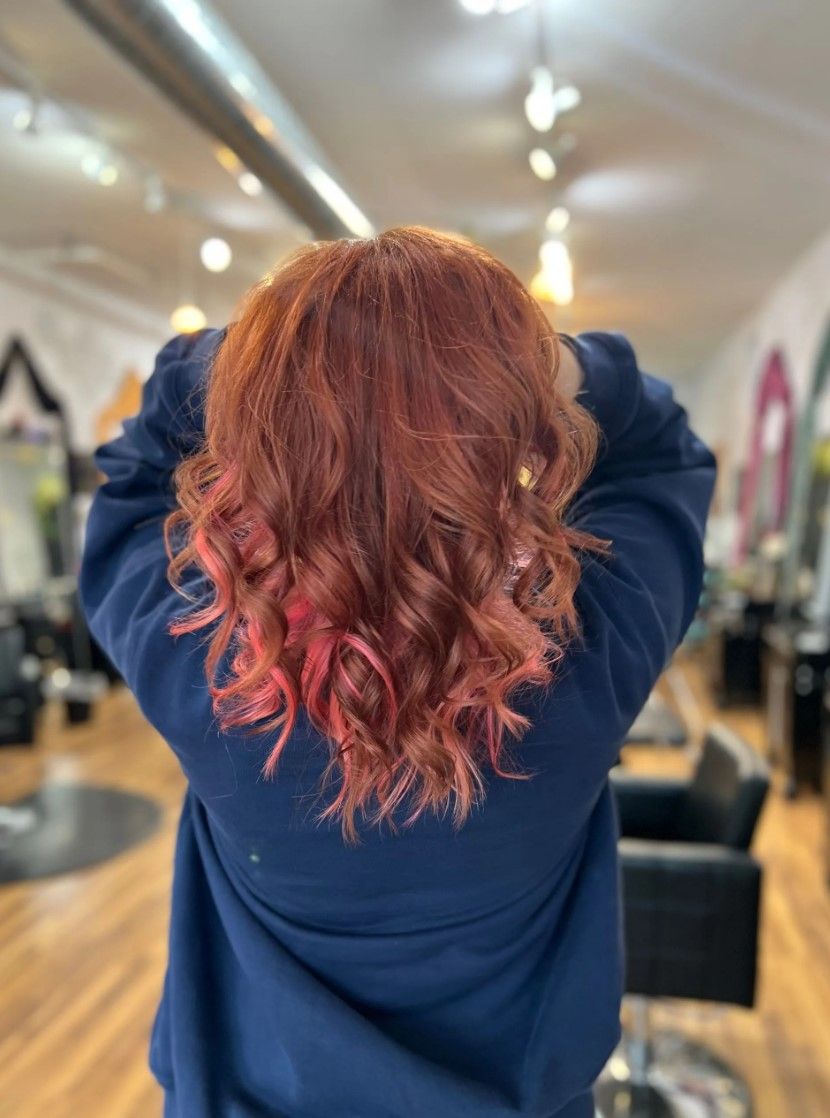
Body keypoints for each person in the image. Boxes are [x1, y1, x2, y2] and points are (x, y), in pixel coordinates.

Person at [80, 227, 715, 1118]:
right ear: (506, 439)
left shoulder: (204, 668)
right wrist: (553, 365)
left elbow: (134, 475)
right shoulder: (584, 664)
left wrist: (262, 356)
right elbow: (663, 451)